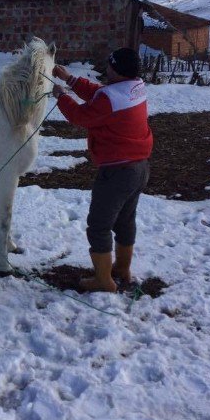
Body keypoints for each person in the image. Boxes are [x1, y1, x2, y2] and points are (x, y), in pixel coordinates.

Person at [52, 48, 153, 293]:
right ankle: (122, 269)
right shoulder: (134, 86)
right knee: (125, 221)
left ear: (117, 69)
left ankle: (103, 281)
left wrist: (61, 96)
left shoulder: (110, 99)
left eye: (109, 66)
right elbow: (99, 94)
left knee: (99, 225)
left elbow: (81, 116)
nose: (106, 70)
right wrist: (70, 79)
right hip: (139, 167)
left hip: (117, 172)